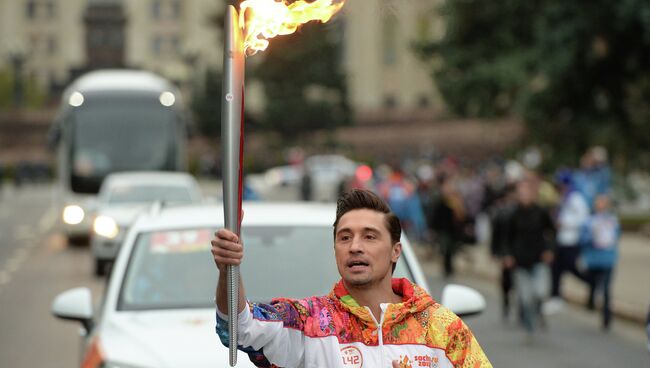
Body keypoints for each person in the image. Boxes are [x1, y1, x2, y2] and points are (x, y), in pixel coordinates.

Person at [212, 189, 491, 368]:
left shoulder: (442, 329)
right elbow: (238, 327)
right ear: (336, 249)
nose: (355, 246)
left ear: (395, 251)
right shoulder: (309, 321)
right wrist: (228, 270)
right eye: (345, 237)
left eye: (369, 236)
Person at [504, 179, 555, 340]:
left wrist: (549, 250)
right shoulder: (512, 214)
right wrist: (507, 255)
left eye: (527, 193)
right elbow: (506, 238)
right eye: (521, 194)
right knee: (525, 298)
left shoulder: (541, 212)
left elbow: (552, 232)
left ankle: (539, 312)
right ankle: (529, 328)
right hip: (520, 262)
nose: (524, 197)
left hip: (538, 259)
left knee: (540, 293)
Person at [547, 170, 590, 313]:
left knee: (570, 267)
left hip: (571, 240)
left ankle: (592, 282)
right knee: (556, 268)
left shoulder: (576, 198)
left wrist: (565, 223)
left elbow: (584, 218)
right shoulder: (564, 197)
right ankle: (556, 296)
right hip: (562, 239)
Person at [580, 194, 620, 330]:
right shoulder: (589, 221)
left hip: (608, 259)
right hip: (593, 260)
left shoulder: (612, 220)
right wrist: (593, 237)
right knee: (592, 284)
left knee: (607, 290)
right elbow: (583, 239)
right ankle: (590, 300)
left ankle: (607, 317)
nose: (601, 205)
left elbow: (616, 236)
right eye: (599, 203)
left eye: (604, 203)